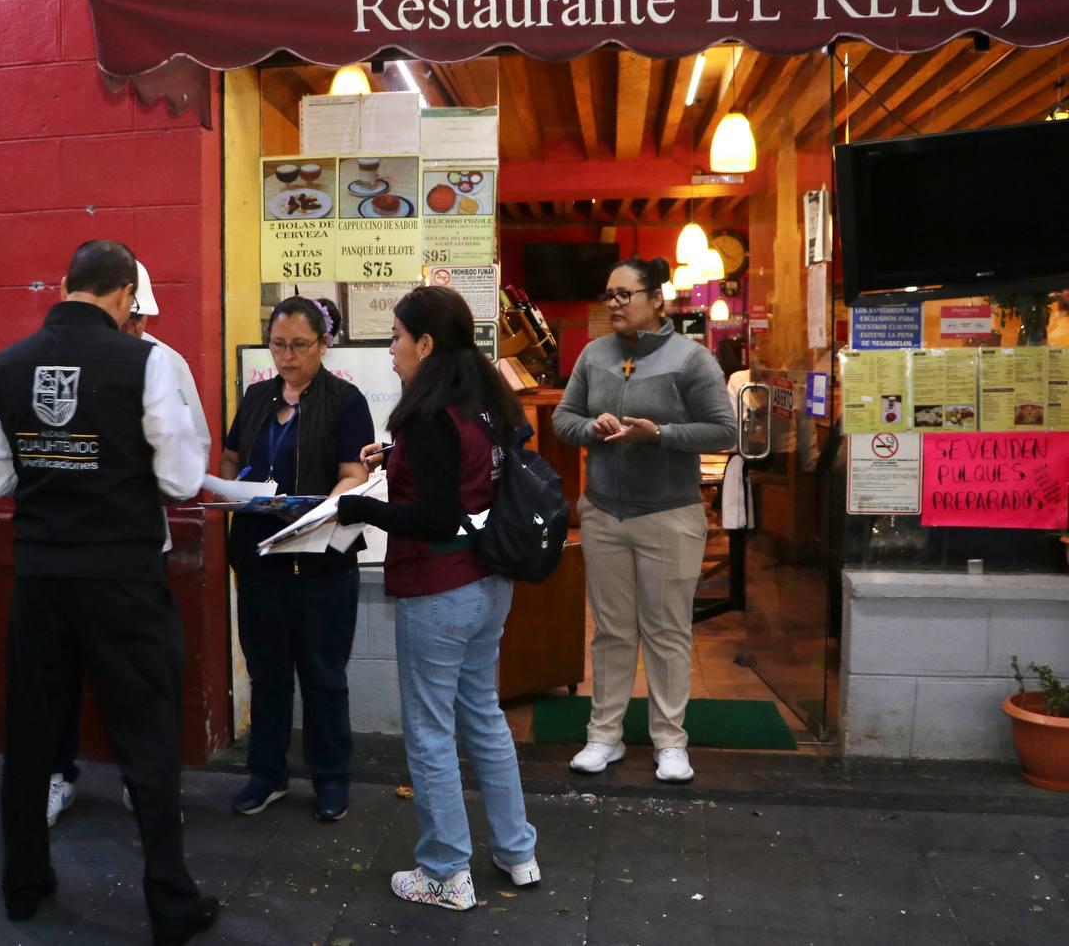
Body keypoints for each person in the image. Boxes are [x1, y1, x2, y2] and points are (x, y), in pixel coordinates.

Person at [0, 241, 217, 943]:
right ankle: (170, 902)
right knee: (146, 738)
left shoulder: (4, 364)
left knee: (31, 735)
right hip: (123, 578)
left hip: (41, 575)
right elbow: (178, 478)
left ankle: (24, 883)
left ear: (69, 284)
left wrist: (50, 464)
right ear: (125, 295)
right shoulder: (147, 363)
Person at [336, 286, 539, 912]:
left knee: (429, 731)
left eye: (397, 337)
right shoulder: (486, 400)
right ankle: (516, 852)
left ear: (425, 344)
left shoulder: (428, 413)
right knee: (483, 718)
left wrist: (361, 504)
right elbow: (472, 472)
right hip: (490, 583)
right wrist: (397, 461)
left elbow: (434, 516)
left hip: (441, 589)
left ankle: (445, 872)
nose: (392, 349)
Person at [553, 257, 736, 784]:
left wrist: (659, 434)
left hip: (668, 514)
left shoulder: (691, 359)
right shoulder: (593, 354)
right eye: (607, 295)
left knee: (666, 630)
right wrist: (593, 426)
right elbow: (564, 419)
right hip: (604, 512)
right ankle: (603, 736)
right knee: (611, 631)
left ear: (657, 298)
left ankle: (670, 742)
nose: (613, 304)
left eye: (623, 294)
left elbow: (723, 430)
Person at [46, 258, 212, 828]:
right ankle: (57, 774)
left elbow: (196, 446)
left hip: (139, 544)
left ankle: (142, 786)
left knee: (140, 679)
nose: (136, 330)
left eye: (143, 320)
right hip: (66, 545)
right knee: (58, 675)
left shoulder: (166, 362)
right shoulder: (51, 355)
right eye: (130, 319)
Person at [219, 296, 373, 822]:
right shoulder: (258, 395)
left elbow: (355, 474)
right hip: (260, 559)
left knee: (324, 675)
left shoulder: (345, 400)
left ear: (323, 345)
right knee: (268, 675)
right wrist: (227, 487)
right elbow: (233, 458)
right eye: (279, 345)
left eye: (300, 346)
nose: (287, 356)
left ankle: (331, 779)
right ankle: (267, 774)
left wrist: (321, 510)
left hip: (322, 561)